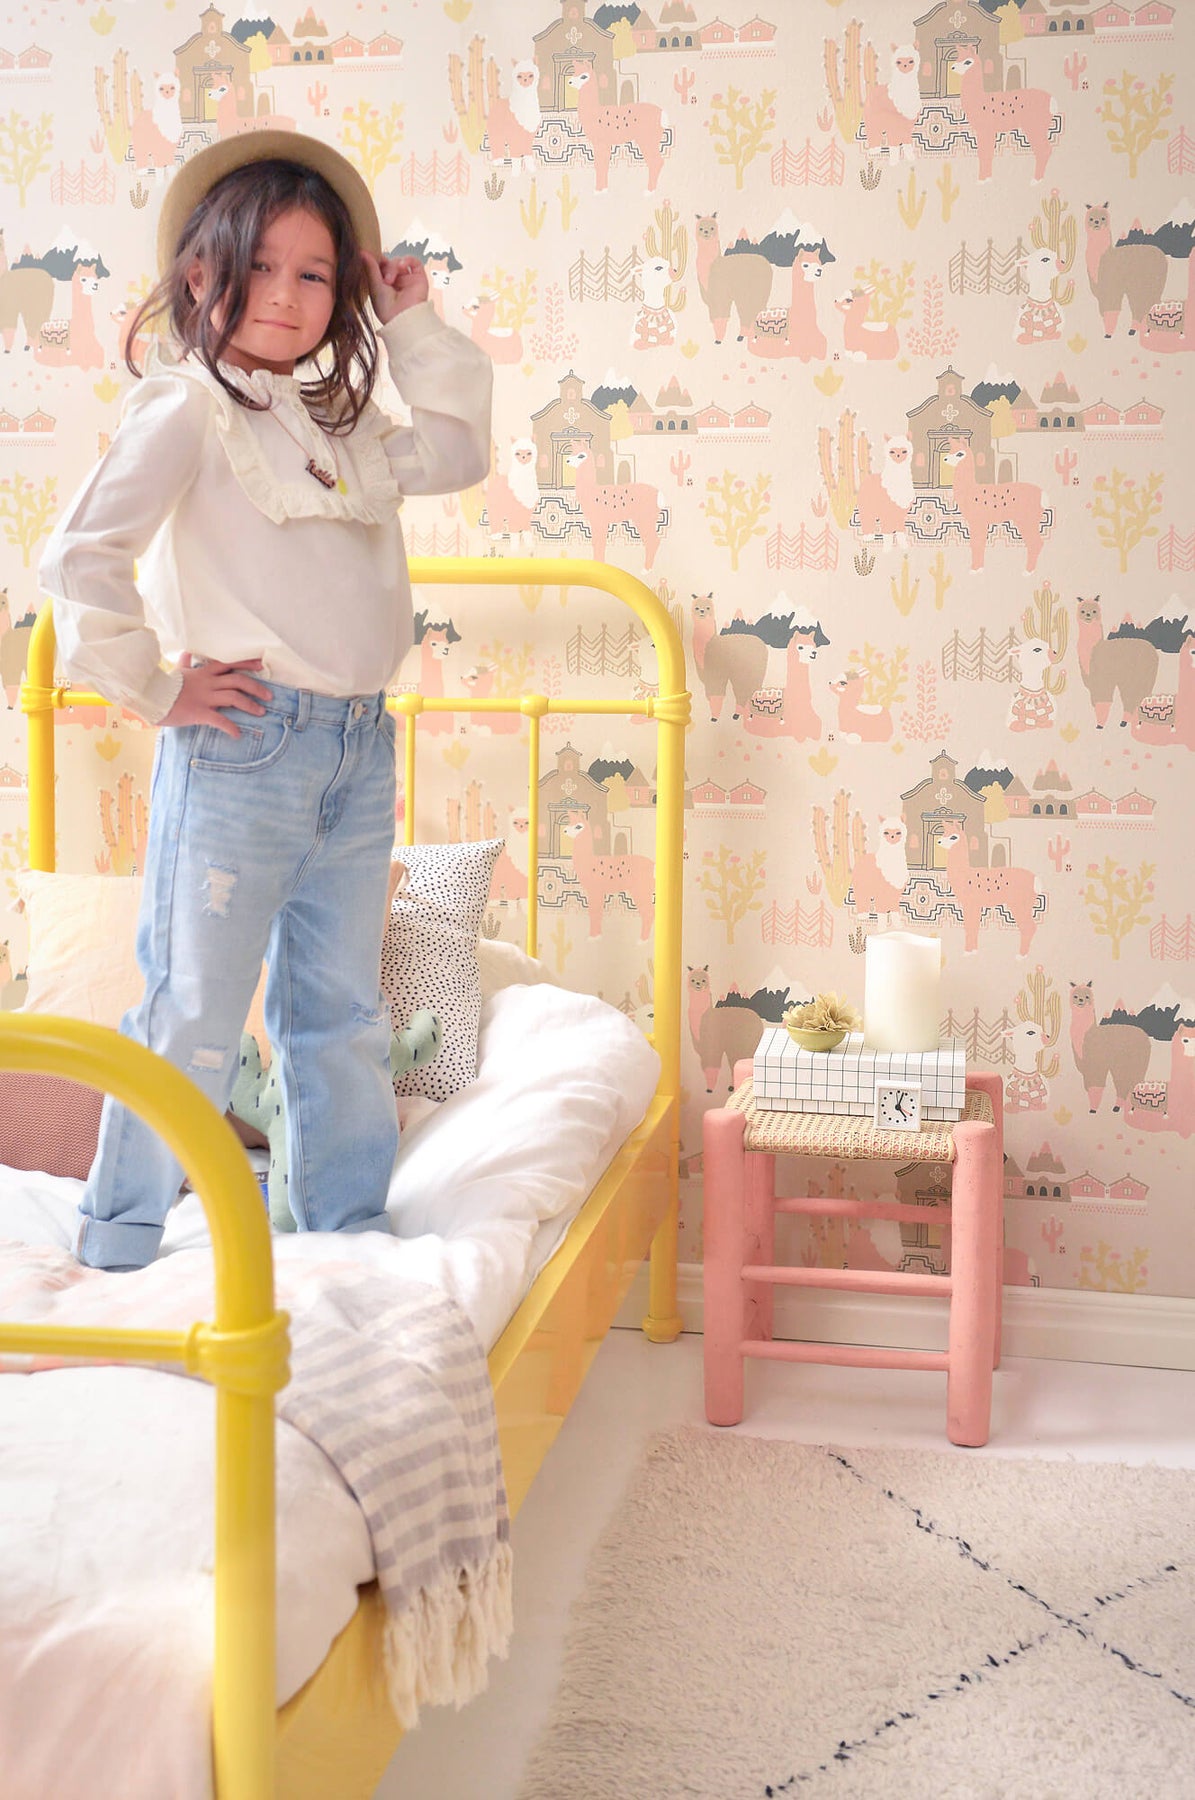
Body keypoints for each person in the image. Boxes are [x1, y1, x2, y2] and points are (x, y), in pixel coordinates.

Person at [38, 131, 493, 1270]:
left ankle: (342, 1235)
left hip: (356, 751)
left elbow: (457, 452)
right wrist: (155, 687)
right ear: (202, 275)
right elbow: (81, 555)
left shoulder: (342, 427)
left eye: (315, 274)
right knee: (193, 1008)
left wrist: (410, 322)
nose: (287, 297)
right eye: (262, 267)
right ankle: (119, 1238)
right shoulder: (186, 407)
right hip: (243, 750)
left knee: (339, 1015)